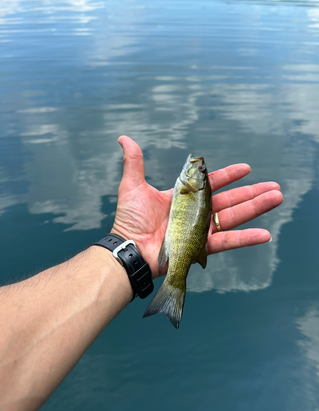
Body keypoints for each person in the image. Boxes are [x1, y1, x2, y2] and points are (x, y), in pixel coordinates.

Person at [0, 136, 283, 411]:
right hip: (163, 246)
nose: (197, 166)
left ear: (194, 183)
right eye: (200, 169)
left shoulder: (190, 189)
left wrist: (126, 250)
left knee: (178, 268)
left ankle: (175, 287)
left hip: (166, 246)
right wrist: (130, 243)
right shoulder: (189, 190)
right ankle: (174, 287)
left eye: (200, 170)